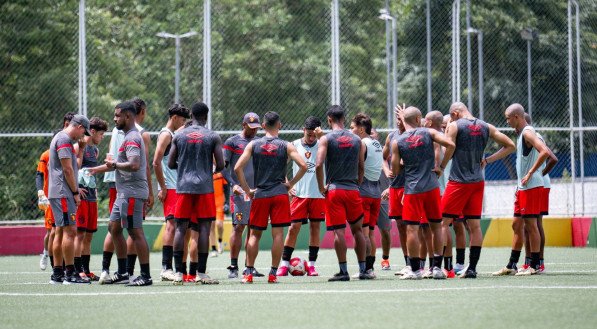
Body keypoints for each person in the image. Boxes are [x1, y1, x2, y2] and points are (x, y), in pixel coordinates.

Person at [442, 102, 515, 278]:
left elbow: (450, 147)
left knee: (442, 223)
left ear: (455, 113)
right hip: (477, 181)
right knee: (474, 226)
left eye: (451, 116)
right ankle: (472, 268)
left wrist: (441, 166)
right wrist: (488, 160)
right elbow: (511, 145)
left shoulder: (454, 125)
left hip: (458, 181)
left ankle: (439, 267)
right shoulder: (485, 126)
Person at [235, 111, 307, 284]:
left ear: (263, 126)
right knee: (278, 235)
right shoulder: (286, 145)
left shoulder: (253, 145)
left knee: (254, 235)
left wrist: (248, 190)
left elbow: (238, 168)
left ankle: (249, 273)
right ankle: (273, 274)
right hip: (280, 195)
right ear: (280, 126)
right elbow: (303, 165)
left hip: (260, 195)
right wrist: (290, 184)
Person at [89, 101, 153, 286]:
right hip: (123, 193)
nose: (114, 118)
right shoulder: (125, 136)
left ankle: (146, 275)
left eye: (117, 115)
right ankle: (124, 271)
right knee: (114, 228)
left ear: (128, 116)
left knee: (135, 232)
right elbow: (118, 163)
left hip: (132, 193)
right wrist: (94, 170)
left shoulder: (133, 137)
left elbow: (134, 164)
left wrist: (114, 165)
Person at [391, 106, 455, 280]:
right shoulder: (429, 133)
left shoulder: (398, 141)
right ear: (419, 119)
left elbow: (395, 170)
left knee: (412, 229)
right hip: (432, 187)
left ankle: (416, 270)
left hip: (412, 189)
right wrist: (441, 167)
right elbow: (450, 144)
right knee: (436, 227)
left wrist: (403, 163)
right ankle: (436, 268)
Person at [168, 102, 224, 285]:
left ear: (191, 115)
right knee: (204, 229)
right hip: (205, 188)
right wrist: (209, 170)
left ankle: (178, 273)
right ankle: (201, 273)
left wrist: (183, 168)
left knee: (180, 228)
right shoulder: (212, 136)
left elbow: (170, 163)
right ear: (206, 116)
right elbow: (221, 165)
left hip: (183, 187)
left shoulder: (178, 135)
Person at [493, 104, 550, 276]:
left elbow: (545, 152)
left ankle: (533, 265)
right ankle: (512, 264)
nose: (507, 121)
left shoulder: (527, 132)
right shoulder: (522, 134)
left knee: (532, 225)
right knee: (516, 224)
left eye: (508, 118)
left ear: (516, 117)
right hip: (523, 187)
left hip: (531, 186)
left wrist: (531, 173)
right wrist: (520, 184)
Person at [315, 105, 369, 282]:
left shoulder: (326, 139)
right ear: (344, 119)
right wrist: (358, 182)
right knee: (358, 230)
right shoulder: (356, 140)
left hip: (335, 190)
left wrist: (322, 187)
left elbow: (318, 164)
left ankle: (343, 271)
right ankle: (363, 270)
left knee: (339, 232)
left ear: (329, 120)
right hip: (353, 189)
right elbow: (361, 165)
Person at [277, 116, 325, 277]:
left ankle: (311, 266)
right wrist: (288, 183)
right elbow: (280, 166)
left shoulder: (323, 144)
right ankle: (284, 264)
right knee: (293, 228)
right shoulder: (294, 145)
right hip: (299, 194)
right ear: (303, 130)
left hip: (318, 194)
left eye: (314, 135)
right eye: (309, 134)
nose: (311, 138)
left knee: (315, 228)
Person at [48, 114, 91, 284]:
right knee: (70, 231)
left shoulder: (60, 138)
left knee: (60, 231)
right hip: (63, 192)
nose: (82, 136)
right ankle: (70, 274)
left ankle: (57, 274)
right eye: (83, 132)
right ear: (79, 127)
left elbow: (71, 167)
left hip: (58, 191)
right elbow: (67, 170)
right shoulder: (64, 140)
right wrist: (74, 192)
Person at [152, 103, 190, 281]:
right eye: (182, 120)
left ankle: (175, 268)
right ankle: (165, 268)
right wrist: (163, 187)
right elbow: (156, 162)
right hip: (171, 188)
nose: (183, 124)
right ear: (174, 118)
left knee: (178, 227)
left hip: (178, 186)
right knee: (172, 225)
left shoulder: (173, 135)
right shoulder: (166, 135)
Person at [221, 113, 261, 279]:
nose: (254, 131)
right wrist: (233, 184)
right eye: (251, 128)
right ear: (243, 125)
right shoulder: (232, 142)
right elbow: (223, 168)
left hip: (257, 191)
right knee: (239, 227)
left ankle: (249, 267)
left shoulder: (259, 143)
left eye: (256, 128)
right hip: (239, 192)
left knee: (254, 228)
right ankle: (233, 265)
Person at [37, 113, 76, 271]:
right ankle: (48, 255)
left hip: (60, 194)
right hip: (53, 196)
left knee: (59, 230)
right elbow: (39, 175)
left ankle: (58, 268)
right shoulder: (47, 155)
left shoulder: (70, 149)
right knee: (53, 230)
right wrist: (40, 192)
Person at [521, 113, 558, 273]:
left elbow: (553, 158)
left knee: (534, 224)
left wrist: (538, 174)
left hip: (538, 184)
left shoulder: (531, 135)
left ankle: (538, 262)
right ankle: (531, 261)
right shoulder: (529, 135)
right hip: (536, 183)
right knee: (529, 224)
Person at [74, 117, 108, 280]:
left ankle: (86, 270)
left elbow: (90, 172)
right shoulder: (78, 147)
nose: (102, 138)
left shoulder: (95, 151)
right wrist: (76, 188)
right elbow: (71, 168)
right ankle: (77, 269)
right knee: (79, 234)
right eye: (101, 134)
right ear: (92, 132)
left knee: (88, 235)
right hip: (81, 198)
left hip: (92, 198)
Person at [350, 113, 383, 278]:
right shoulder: (377, 143)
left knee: (363, 234)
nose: (351, 130)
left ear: (361, 129)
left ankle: (364, 270)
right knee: (370, 232)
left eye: (353, 127)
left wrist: (356, 184)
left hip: (364, 192)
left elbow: (360, 167)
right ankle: (370, 268)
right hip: (376, 192)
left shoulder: (362, 143)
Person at [209, 172, 227, 257]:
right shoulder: (205, 171)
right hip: (209, 202)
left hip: (220, 203)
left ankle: (220, 241)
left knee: (219, 224)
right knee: (211, 225)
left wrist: (226, 202)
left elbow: (226, 187)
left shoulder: (220, 172)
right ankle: (213, 249)